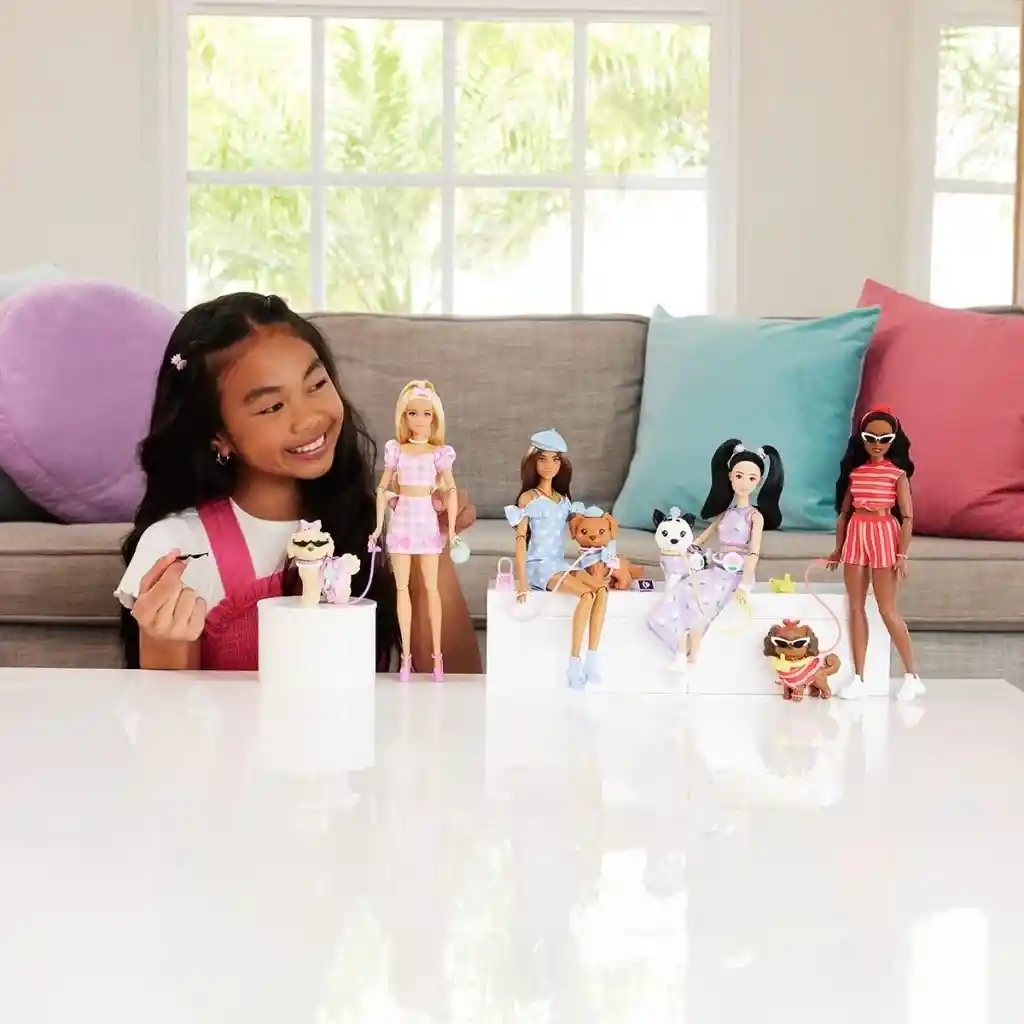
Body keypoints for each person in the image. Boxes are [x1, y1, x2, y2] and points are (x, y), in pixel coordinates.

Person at [115, 292, 480, 673]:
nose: (309, 418)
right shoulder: (177, 547)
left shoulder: (379, 521)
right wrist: (164, 638)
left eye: (316, 384)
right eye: (273, 406)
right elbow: (167, 707)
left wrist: (433, 548)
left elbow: (456, 687)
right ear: (218, 435)